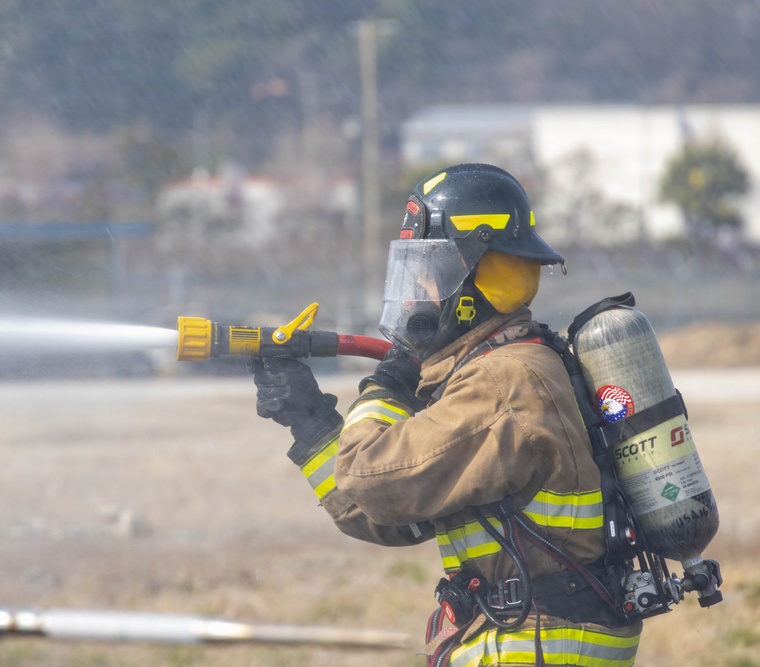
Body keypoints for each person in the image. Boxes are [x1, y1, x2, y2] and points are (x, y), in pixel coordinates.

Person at [249, 163, 643, 666]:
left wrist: (387, 385)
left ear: (480, 279)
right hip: (534, 640)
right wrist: (310, 423)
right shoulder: (509, 368)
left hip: (533, 647)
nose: (418, 290)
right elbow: (392, 516)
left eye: (429, 272)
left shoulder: (503, 381)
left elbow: (370, 477)